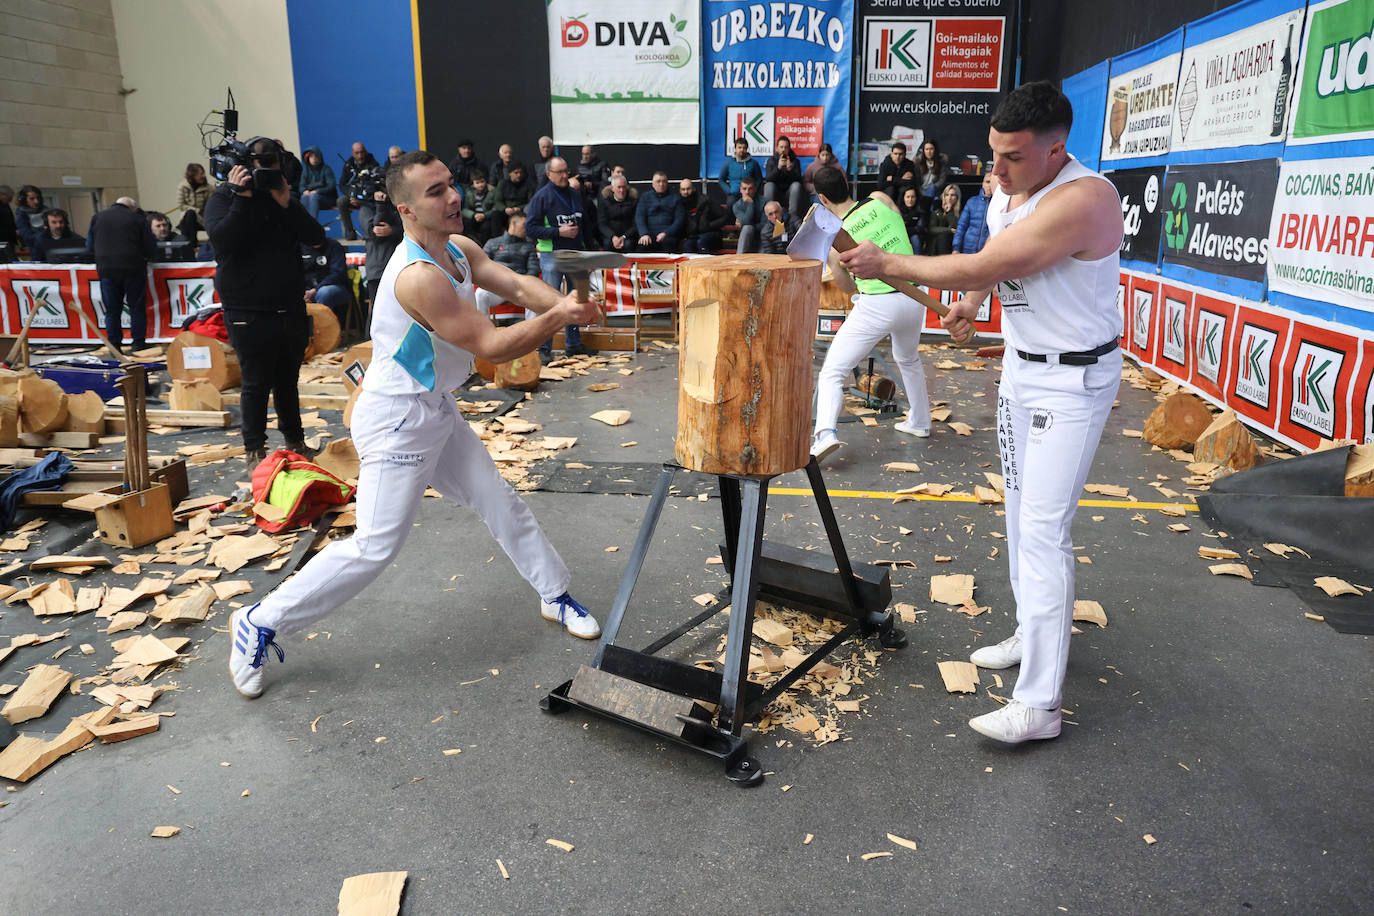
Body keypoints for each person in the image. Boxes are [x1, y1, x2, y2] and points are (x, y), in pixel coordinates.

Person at [227, 150, 603, 699]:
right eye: (435, 191)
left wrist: (566, 302)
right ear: (405, 208)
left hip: (435, 407)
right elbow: (492, 346)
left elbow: (519, 286)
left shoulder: (459, 249)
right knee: (374, 546)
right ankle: (259, 621)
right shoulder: (417, 278)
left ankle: (555, 592)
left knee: (497, 498)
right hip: (397, 418)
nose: (453, 197)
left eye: (451, 185)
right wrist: (558, 319)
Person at [839, 80, 1125, 744]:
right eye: (992, 154)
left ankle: (1040, 708)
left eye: (1012, 157)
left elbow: (990, 260)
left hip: (1072, 382)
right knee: (1022, 517)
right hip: (1022, 368)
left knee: (1045, 533)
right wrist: (972, 304)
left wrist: (892, 262)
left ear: (1056, 150)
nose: (994, 171)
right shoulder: (1009, 187)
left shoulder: (1085, 199)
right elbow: (1000, 265)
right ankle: (1033, 632)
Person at [204, 137, 327, 465]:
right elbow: (222, 242)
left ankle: (296, 444)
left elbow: (316, 238)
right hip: (247, 308)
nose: (269, 171)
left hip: (288, 305)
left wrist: (287, 203)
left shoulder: (281, 197)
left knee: (287, 381)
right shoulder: (223, 198)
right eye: (262, 164)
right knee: (255, 382)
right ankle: (254, 453)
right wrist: (241, 198)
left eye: (273, 163)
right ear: (244, 166)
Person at [810, 167, 931, 466]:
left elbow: (845, 284)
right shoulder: (880, 198)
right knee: (909, 358)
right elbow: (896, 230)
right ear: (847, 183)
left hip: (877, 302)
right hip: (914, 295)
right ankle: (920, 421)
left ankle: (825, 434)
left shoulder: (836, 238)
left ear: (823, 198)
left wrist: (855, 284)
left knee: (833, 372)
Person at [525, 155, 594, 361]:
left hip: (575, 255)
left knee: (575, 300)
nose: (565, 175)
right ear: (549, 174)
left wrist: (588, 254)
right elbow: (530, 228)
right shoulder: (541, 197)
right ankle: (544, 349)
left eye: (567, 171)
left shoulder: (574, 194)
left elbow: (586, 226)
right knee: (550, 303)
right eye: (560, 172)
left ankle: (573, 344)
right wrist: (558, 232)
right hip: (552, 255)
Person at [86, 197, 155, 348]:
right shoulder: (137, 217)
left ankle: (114, 345)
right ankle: (138, 343)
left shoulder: (97, 217)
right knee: (136, 308)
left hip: (107, 270)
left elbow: (89, 246)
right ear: (132, 207)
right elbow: (149, 245)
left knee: (112, 310)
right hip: (133, 269)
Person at [476, 210, 539, 316]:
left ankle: (534, 332)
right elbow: (481, 267)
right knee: (480, 293)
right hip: (497, 287)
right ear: (514, 224)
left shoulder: (529, 246)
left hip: (520, 289)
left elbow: (534, 271)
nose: (527, 229)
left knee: (534, 294)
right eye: (524, 225)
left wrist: (520, 283)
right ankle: (481, 330)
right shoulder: (492, 243)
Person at [363, 186, 402, 321]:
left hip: (398, 267)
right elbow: (376, 234)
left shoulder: (397, 207)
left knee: (399, 310)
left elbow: (407, 230)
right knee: (378, 312)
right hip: (377, 269)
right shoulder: (366, 209)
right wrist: (380, 206)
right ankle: (370, 341)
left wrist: (393, 231)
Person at [337, 142, 382, 240]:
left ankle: (370, 233)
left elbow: (374, 187)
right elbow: (342, 184)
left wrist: (360, 200)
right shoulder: (348, 165)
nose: (360, 156)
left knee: (365, 211)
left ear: (365, 152)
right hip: (352, 196)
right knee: (341, 201)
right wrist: (351, 195)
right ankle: (350, 232)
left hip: (367, 199)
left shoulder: (373, 164)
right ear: (353, 153)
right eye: (357, 153)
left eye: (362, 152)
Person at [302, 237, 352, 322]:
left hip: (335, 287)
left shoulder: (334, 246)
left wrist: (315, 290)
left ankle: (323, 331)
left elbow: (338, 274)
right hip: (307, 289)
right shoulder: (301, 247)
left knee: (324, 292)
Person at [634, 171, 685, 253]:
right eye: (658, 181)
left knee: (669, 245)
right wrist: (644, 234)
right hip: (649, 235)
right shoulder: (645, 197)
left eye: (664, 181)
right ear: (653, 184)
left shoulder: (676, 198)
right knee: (641, 247)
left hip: (668, 235)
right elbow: (639, 217)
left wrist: (666, 233)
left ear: (667, 183)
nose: (661, 184)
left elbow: (680, 220)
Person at [680, 178, 727, 254]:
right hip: (694, 236)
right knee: (687, 245)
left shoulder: (705, 201)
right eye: (683, 189)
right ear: (680, 191)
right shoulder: (680, 205)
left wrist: (710, 225)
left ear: (694, 189)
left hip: (712, 235)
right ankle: (692, 266)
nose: (686, 192)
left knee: (701, 242)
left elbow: (725, 216)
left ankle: (705, 265)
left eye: (688, 189)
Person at [763, 135, 805, 217]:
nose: (783, 149)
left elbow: (799, 180)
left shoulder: (795, 161)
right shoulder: (771, 161)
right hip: (775, 192)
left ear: (789, 148)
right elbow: (768, 179)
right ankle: (769, 216)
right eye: (781, 147)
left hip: (789, 193)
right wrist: (778, 168)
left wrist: (790, 170)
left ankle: (793, 217)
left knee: (796, 185)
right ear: (777, 148)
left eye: (786, 147)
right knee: (768, 185)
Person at [955, 172, 996, 254]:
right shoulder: (972, 202)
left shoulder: (1000, 204)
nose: (989, 185)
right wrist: (956, 248)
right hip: (968, 248)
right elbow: (962, 226)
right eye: (987, 182)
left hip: (987, 251)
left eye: (992, 182)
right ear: (983, 184)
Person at [598, 175, 638, 253]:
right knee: (607, 244)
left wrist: (624, 237)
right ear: (612, 188)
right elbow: (602, 223)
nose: (621, 190)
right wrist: (613, 237)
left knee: (628, 244)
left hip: (628, 236)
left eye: (624, 187)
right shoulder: (605, 201)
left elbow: (636, 224)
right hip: (610, 236)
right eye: (619, 187)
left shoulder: (634, 201)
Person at [717, 137, 762, 207]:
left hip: (749, 194)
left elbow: (759, 179)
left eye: (744, 148)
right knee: (730, 203)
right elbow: (721, 180)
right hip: (734, 194)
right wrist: (729, 191)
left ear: (747, 149)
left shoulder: (753, 163)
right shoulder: (728, 163)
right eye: (739, 147)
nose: (742, 150)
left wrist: (753, 190)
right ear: (735, 148)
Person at [175, 163, 213, 245]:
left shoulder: (208, 188)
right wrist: (197, 210)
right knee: (190, 214)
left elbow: (211, 205)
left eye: (203, 173)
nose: (203, 176)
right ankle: (191, 245)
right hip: (188, 218)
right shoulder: (182, 187)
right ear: (192, 176)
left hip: (203, 218)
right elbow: (181, 205)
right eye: (200, 174)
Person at [298, 147, 338, 223]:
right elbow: (301, 186)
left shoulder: (326, 169)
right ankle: (303, 223)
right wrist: (304, 190)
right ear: (307, 158)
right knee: (304, 196)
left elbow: (331, 186)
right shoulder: (306, 170)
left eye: (316, 156)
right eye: (311, 157)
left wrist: (318, 191)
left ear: (320, 157)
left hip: (328, 198)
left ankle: (312, 224)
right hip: (310, 198)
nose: (314, 159)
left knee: (313, 196)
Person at [461, 171, 498, 246]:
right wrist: (473, 215)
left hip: (486, 217)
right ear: (473, 184)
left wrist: (485, 215)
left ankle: (483, 246)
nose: (480, 185)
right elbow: (465, 209)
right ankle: (471, 244)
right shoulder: (469, 192)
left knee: (486, 227)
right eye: (477, 183)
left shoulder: (492, 191)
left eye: (482, 182)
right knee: (467, 223)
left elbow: (495, 208)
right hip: (474, 216)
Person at [926, 183, 961, 256]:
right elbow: (932, 229)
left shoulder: (961, 212)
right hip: (938, 244)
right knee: (943, 236)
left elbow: (956, 227)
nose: (949, 198)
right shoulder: (937, 210)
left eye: (952, 195)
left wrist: (949, 212)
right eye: (947, 195)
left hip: (954, 244)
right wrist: (949, 230)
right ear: (943, 197)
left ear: (957, 197)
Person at [732, 177, 765, 253]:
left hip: (763, 236)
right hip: (747, 236)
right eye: (744, 189)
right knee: (747, 228)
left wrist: (747, 224)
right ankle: (739, 260)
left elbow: (765, 225)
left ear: (755, 189)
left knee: (748, 227)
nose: (747, 192)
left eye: (750, 189)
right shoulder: (737, 205)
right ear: (740, 189)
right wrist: (750, 204)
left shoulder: (764, 201)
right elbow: (747, 222)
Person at [898, 186, 929, 254]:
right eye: (908, 197)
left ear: (916, 198)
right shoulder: (898, 211)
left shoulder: (920, 210)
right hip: (901, 236)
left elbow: (921, 228)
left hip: (916, 236)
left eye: (913, 197)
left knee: (915, 238)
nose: (910, 200)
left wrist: (907, 229)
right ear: (903, 198)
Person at [15, 185, 45, 251]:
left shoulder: (46, 210)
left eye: (38, 198)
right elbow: (28, 238)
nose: (36, 201)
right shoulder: (21, 214)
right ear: (24, 200)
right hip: (37, 250)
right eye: (32, 199)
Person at [0, 185, 18, 254]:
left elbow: (10, 219)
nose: (10, 200)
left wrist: (15, 229)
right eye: (9, 197)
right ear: (1, 195)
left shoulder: (5, 205)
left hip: (9, 238)